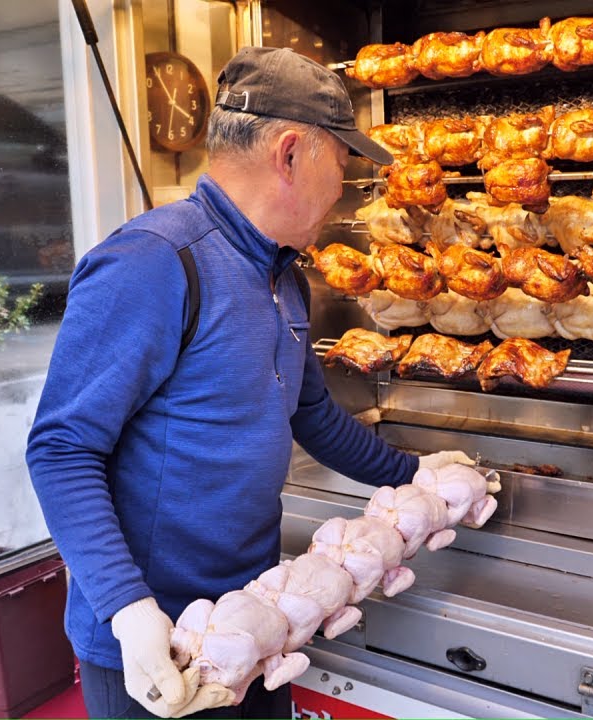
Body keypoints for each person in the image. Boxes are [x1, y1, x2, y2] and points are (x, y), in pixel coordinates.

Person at [25, 46, 475, 719]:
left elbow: (311, 414)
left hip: (256, 620)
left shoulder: (284, 275)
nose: (348, 184)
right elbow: (61, 448)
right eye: (343, 161)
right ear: (291, 153)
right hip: (159, 647)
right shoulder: (154, 262)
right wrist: (127, 608)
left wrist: (417, 476)